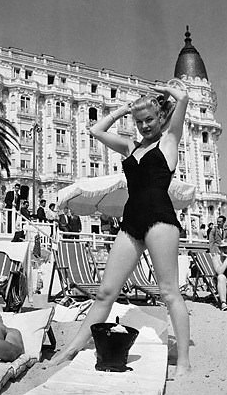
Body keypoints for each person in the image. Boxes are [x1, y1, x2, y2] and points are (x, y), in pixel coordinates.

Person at [50, 84, 191, 375]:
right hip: (131, 222)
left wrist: (165, 93)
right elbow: (96, 131)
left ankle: (185, 362)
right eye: (139, 122)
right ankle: (73, 346)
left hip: (161, 219)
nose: (144, 126)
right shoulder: (131, 147)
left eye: (149, 120)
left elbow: (183, 99)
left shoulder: (168, 142)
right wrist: (125, 110)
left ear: (161, 117)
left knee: (169, 293)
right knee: (105, 292)